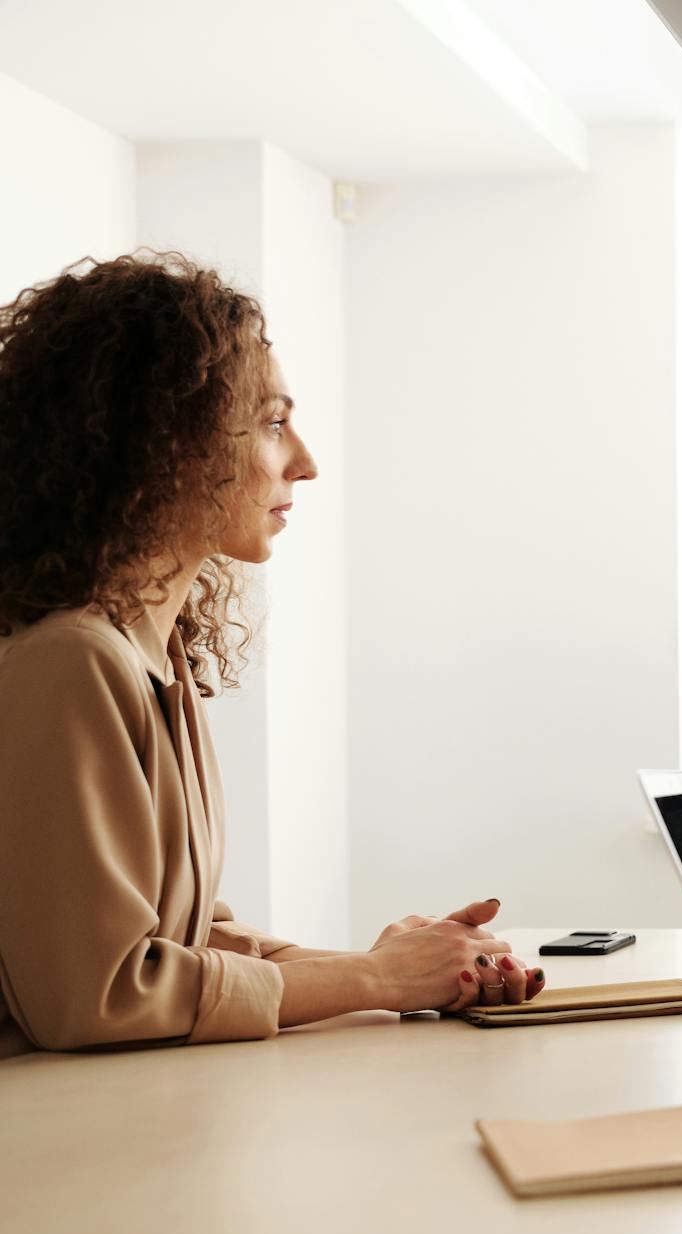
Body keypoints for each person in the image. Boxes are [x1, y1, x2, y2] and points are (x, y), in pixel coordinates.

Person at [0, 253, 544, 1058]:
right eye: (272, 422)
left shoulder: (152, 656)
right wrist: (379, 980)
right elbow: (99, 994)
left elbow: (188, 940)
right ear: (166, 441)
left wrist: (410, 965)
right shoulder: (70, 662)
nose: (305, 461)